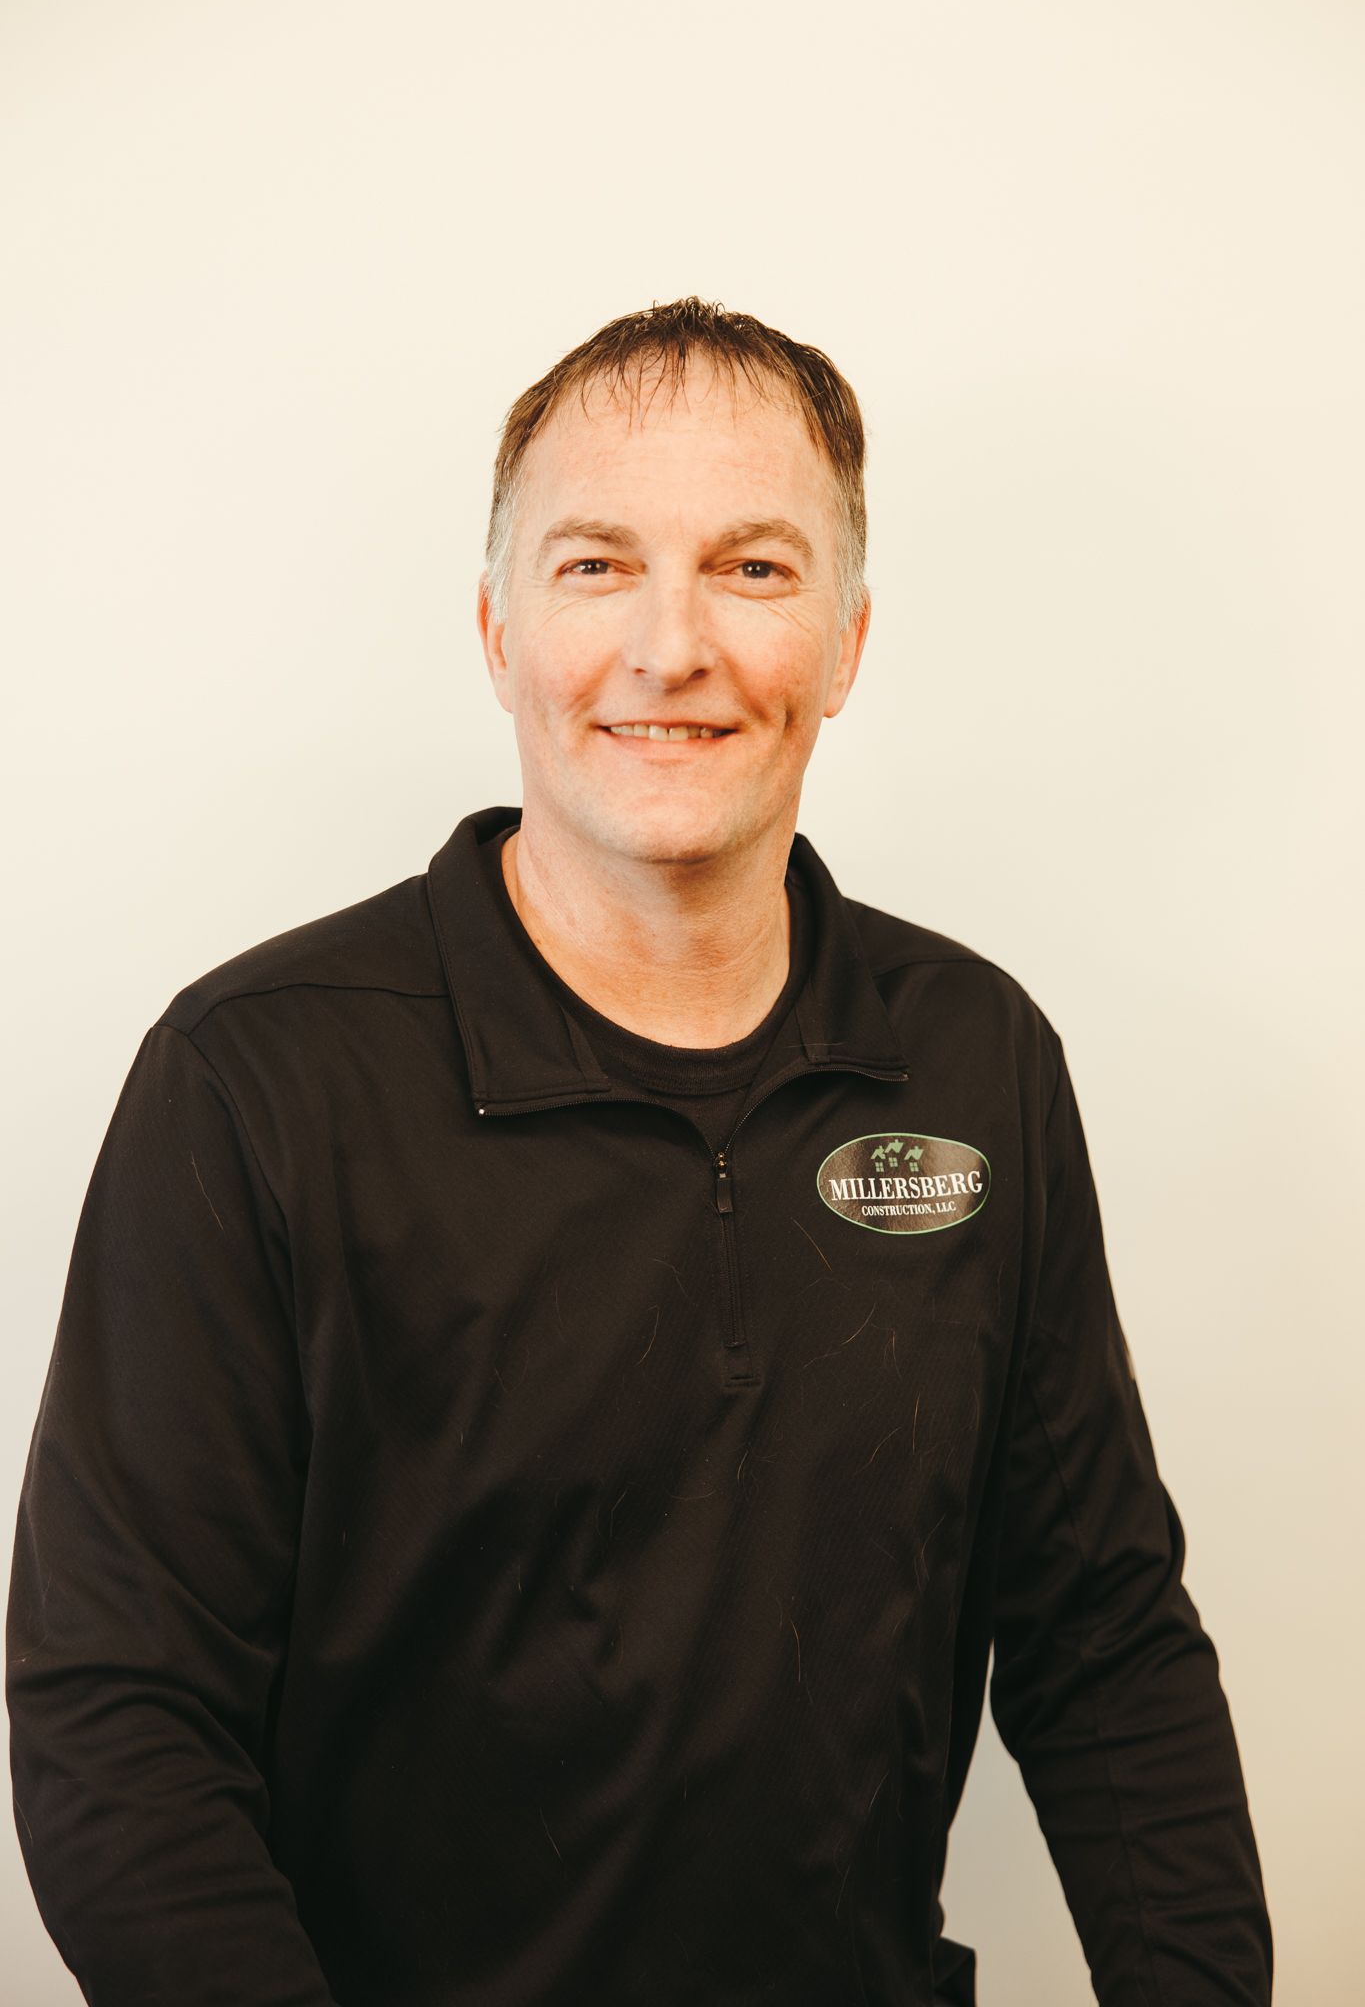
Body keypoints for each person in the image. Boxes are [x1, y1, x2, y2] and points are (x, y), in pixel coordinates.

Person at [7, 297, 1272, 2006]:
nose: (668, 647)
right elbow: (118, 1708)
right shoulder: (255, 1080)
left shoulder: (976, 1058)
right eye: (596, 565)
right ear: (496, 627)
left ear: (844, 640)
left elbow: (1103, 1642)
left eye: (752, 569)